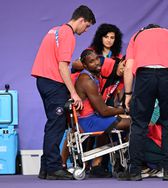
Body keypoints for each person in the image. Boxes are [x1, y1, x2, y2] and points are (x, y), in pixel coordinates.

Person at [31, 5, 95, 180]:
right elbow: (62, 66)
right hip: (53, 83)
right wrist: (73, 93)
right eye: (87, 25)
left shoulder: (54, 30)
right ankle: (53, 168)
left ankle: (45, 168)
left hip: (42, 81)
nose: (86, 29)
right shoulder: (68, 35)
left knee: (52, 123)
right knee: (57, 125)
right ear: (81, 20)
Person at [120, 24, 168, 181]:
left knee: (139, 124)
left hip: (145, 75)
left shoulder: (137, 35)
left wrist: (128, 94)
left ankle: (135, 171)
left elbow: (129, 67)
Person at [74, 49, 130, 177]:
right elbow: (104, 111)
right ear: (85, 65)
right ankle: (133, 163)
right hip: (89, 122)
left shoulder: (93, 76)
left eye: (97, 59)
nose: (97, 63)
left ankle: (124, 161)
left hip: (93, 118)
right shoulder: (86, 80)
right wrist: (124, 110)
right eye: (91, 61)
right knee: (133, 122)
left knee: (125, 119)